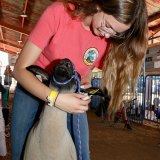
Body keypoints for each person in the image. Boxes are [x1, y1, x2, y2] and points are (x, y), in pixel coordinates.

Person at [10, 0, 148, 160]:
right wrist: (55, 99)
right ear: (100, 5)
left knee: (83, 153)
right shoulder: (59, 13)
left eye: (116, 32)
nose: (107, 35)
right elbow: (19, 70)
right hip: (32, 85)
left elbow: (86, 68)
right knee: (20, 150)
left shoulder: (106, 39)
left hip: (68, 92)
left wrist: (86, 82)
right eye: (108, 25)